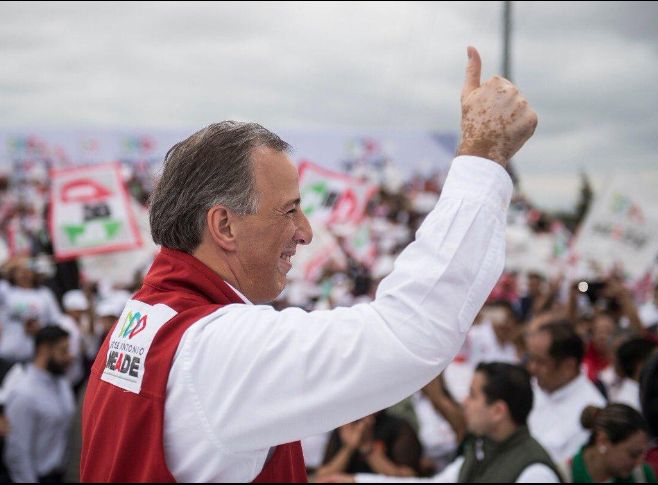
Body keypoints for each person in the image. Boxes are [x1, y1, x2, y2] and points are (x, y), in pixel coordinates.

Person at [81, 46, 538, 482]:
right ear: (223, 226)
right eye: (288, 210)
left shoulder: (147, 318)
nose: (306, 231)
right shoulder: (213, 347)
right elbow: (408, 334)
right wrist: (483, 155)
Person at [318, 363, 562, 483]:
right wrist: (357, 481)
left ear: (498, 411)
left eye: (473, 395)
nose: (465, 402)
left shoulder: (534, 472)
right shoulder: (483, 447)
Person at [526, 322, 607, 464]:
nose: (532, 368)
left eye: (541, 362)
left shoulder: (592, 411)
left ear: (568, 366)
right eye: (531, 359)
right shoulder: (530, 386)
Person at [4, 326, 75, 483]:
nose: (70, 357)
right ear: (44, 351)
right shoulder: (24, 393)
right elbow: (17, 452)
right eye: (63, 351)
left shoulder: (62, 382)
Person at [565, 404, 656, 483]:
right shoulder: (560, 477)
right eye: (633, 454)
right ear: (603, 441)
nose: (639, 463)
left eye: (642, 454)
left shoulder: (642, 476)